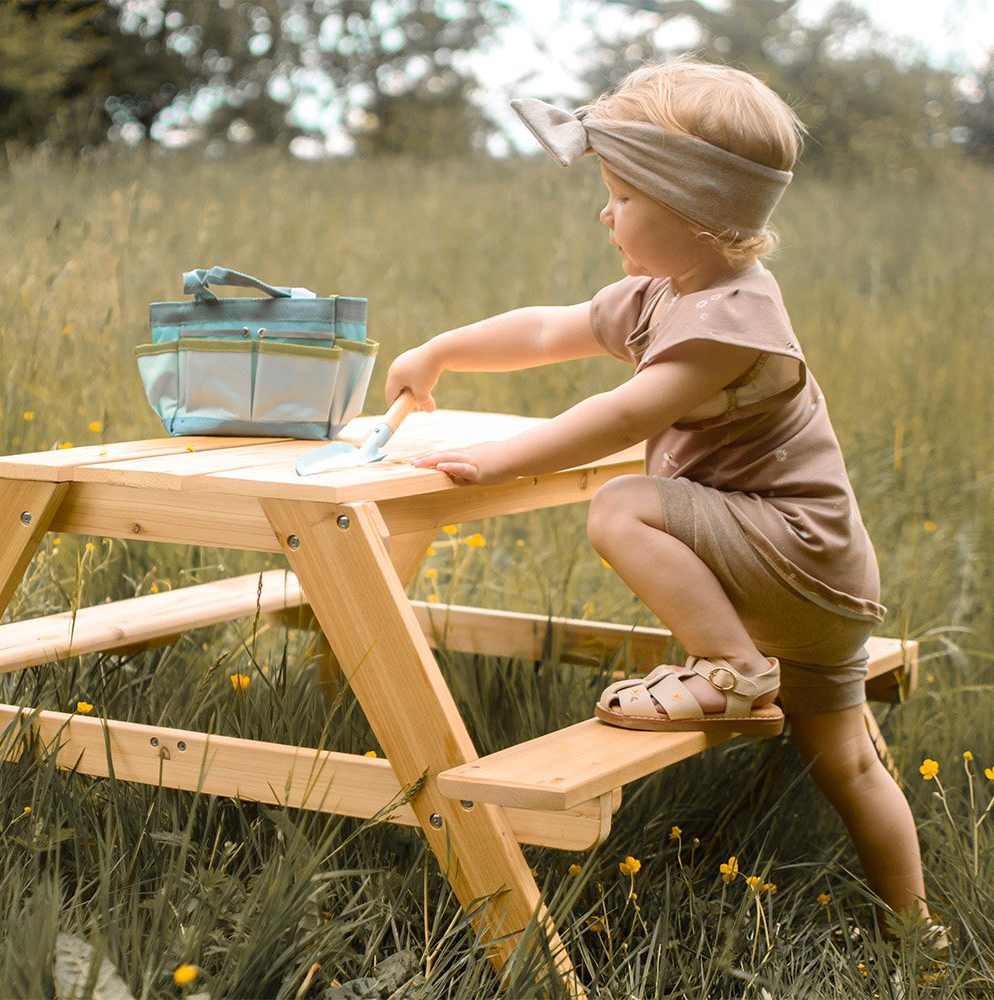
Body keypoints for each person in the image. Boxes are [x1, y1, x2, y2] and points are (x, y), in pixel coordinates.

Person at [385, 55, 931, 934]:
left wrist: (501, 458)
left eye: (623, 196)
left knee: (621, 503)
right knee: (848, 763)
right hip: (822, 576)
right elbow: (544, 327)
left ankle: (732, 673)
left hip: (787, 556)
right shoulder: (661, 296)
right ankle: (915, 930)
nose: (605, 212)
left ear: (698, 212)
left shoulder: (730, 320)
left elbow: (625, 409)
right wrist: (441, 350)